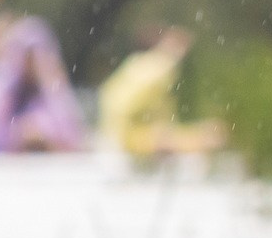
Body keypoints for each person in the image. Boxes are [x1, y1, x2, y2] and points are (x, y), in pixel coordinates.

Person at [96, 26, 227, 162]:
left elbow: (160, 128)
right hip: (125, 151)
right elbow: (123, 123)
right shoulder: (154, 72)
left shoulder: (145, 69)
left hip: (124, 146)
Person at [0, 14, 88, 154]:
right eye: (26, 55)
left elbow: (72, 136)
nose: (30, 63)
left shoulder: (50, 86)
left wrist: (42, 134)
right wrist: (20, 134)